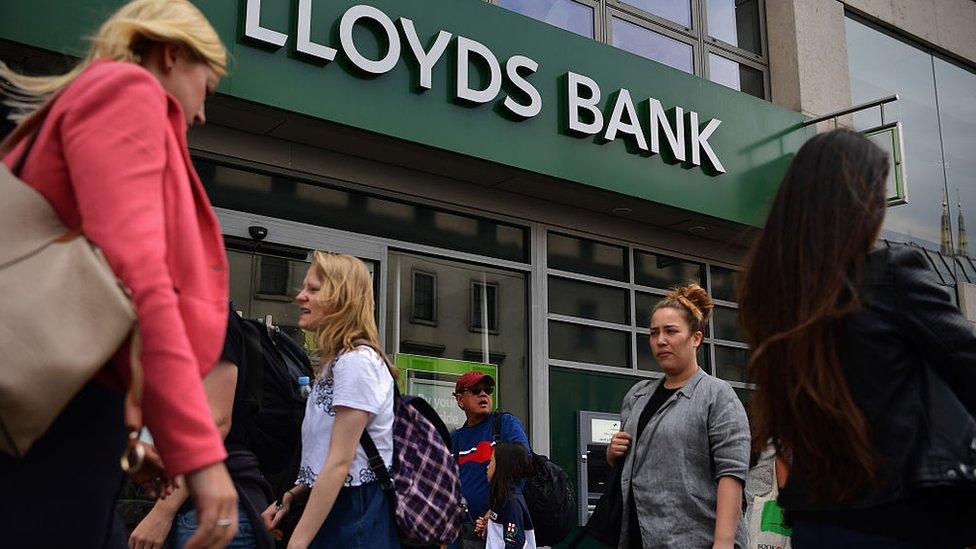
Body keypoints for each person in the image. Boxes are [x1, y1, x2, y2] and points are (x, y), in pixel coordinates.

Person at [0, 1, 237, 547]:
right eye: (209, 84)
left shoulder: (95, 95)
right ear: (173, 54)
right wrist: (200, 455)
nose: (202, 112)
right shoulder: (127, 93)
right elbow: (138, 278)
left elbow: (99, 287)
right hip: (54, 414)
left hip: (51, 405)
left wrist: (129, 433)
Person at [738, 128, 976, 547]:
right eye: (878, 195)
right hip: (906, 518)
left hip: (818, 521)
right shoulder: (888, 275)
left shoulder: (774, 299)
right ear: (855, 203)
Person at [261, 252, 400, 548]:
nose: (300, 297)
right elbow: (336, 458)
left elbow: (340, 463)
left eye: (313, 289)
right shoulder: (339, 363)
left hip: (355, 510)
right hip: (345, 506)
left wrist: (297, 543)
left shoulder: (355, 363)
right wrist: (291, 496)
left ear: (342, 298)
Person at [606, 284, 750, 548]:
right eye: (654, 333)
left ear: (696, 338)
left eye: (671, 331)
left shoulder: (717, 395)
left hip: (697, 539)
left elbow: (731, 473)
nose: (661, 340)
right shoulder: (637, 396)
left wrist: (723, 543)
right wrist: (612, 454)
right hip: (640, 538)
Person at [130, 305, 275, 549]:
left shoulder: (209, 317)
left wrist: (161, 514)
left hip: (216, 506)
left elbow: (215, 425)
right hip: (189, 505)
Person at [450, 372, 531, 535]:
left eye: (487, 390)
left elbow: (523, 464)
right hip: (461, 532)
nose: (483, 394)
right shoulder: (455, 439)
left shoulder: (505, 424)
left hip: (501, 526)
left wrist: (495, 511)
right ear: (460, 400)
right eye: (475, 390)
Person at [479, 442, 537, 549]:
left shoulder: (511, 503)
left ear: (502, 466)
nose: (487, 467)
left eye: (491, 461)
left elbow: (514, 543)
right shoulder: (502, 498)